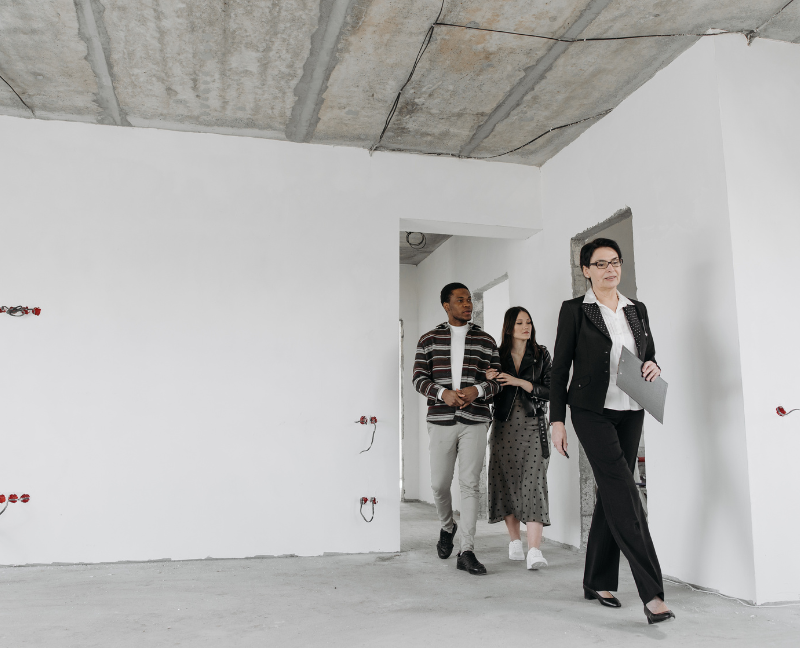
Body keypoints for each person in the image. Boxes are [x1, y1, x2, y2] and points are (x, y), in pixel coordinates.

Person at [549, 238, 675, 625]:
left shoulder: (637, 309)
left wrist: (653, 365)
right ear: (586, 270)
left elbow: (647, 352)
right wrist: (557, 419)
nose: (610, 269)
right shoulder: (575, 311)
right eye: (600, 264)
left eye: (615, 262)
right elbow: (560, 368)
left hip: (633, 407)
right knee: (625, 491)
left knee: (611, 493)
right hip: (591, 411)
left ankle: (597, 580)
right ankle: (652, 593)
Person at [413, 283, 501, 575]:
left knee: (470, 484)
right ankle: (447, 526)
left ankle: (467, 550)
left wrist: (477, 390)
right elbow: (418, 378)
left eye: (469, 300)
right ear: (446, 306)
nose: (467, 304)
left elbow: (497, 380)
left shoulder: (486, 341)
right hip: (440, 419)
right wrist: (442, 394)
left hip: (475, 419)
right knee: (439, 484)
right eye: (460, 300)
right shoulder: (428, 339)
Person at [485, 307, 553, 570]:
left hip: (534, 425)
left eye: (529, 322)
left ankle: (534, 549)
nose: (526, 327)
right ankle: (515, 541)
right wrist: (489, 380)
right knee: (506, 481)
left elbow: (551, 390)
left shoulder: (541, 354)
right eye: (520, 323)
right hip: (503, 426)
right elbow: (487, 395)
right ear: (509, 327)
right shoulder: (497, 356)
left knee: (534, 482)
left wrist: (519, 382)